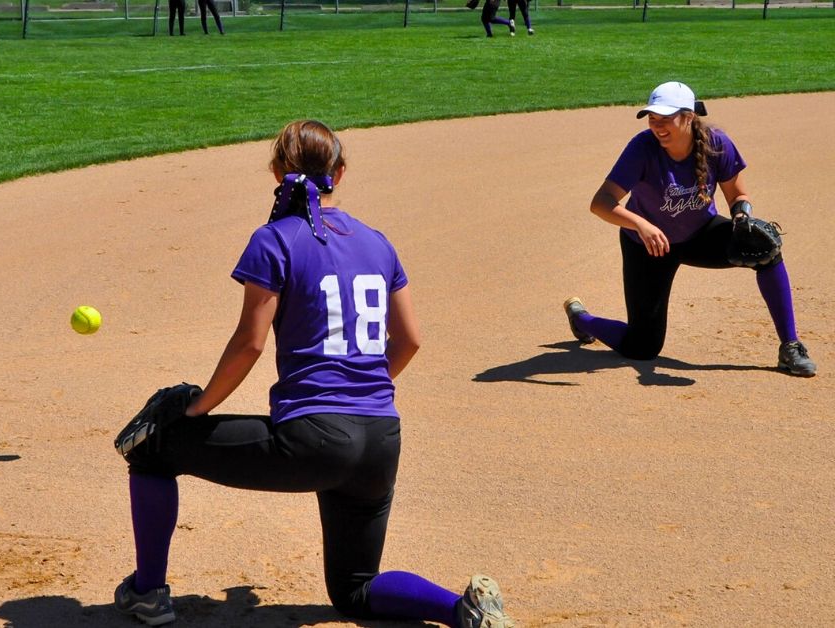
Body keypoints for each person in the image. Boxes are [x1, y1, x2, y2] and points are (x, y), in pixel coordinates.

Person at [114, 120, 516, 627]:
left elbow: (249, 344)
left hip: (315, 439)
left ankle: (147, 594)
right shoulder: (378, 242)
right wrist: (363, 388)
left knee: (151, 448)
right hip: (381, 439)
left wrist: (194, 410)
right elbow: (410, 340)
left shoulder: (274, 239)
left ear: (277, 173)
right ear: (339, 173)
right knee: (355, 590)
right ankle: (462, 611)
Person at [564, 82, 817, 377]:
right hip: (648, 246)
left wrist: (741, 217)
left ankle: (790, 345)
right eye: (652, 118)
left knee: (766, 250)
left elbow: (737, 196)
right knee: (642, 347)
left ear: (688, 116)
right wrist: (642, 224)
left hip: (700, 235)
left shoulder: (717, 143)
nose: (657, 126)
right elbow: (601, 202)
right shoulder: (642, 148)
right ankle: (582, 319)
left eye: (666, 118)